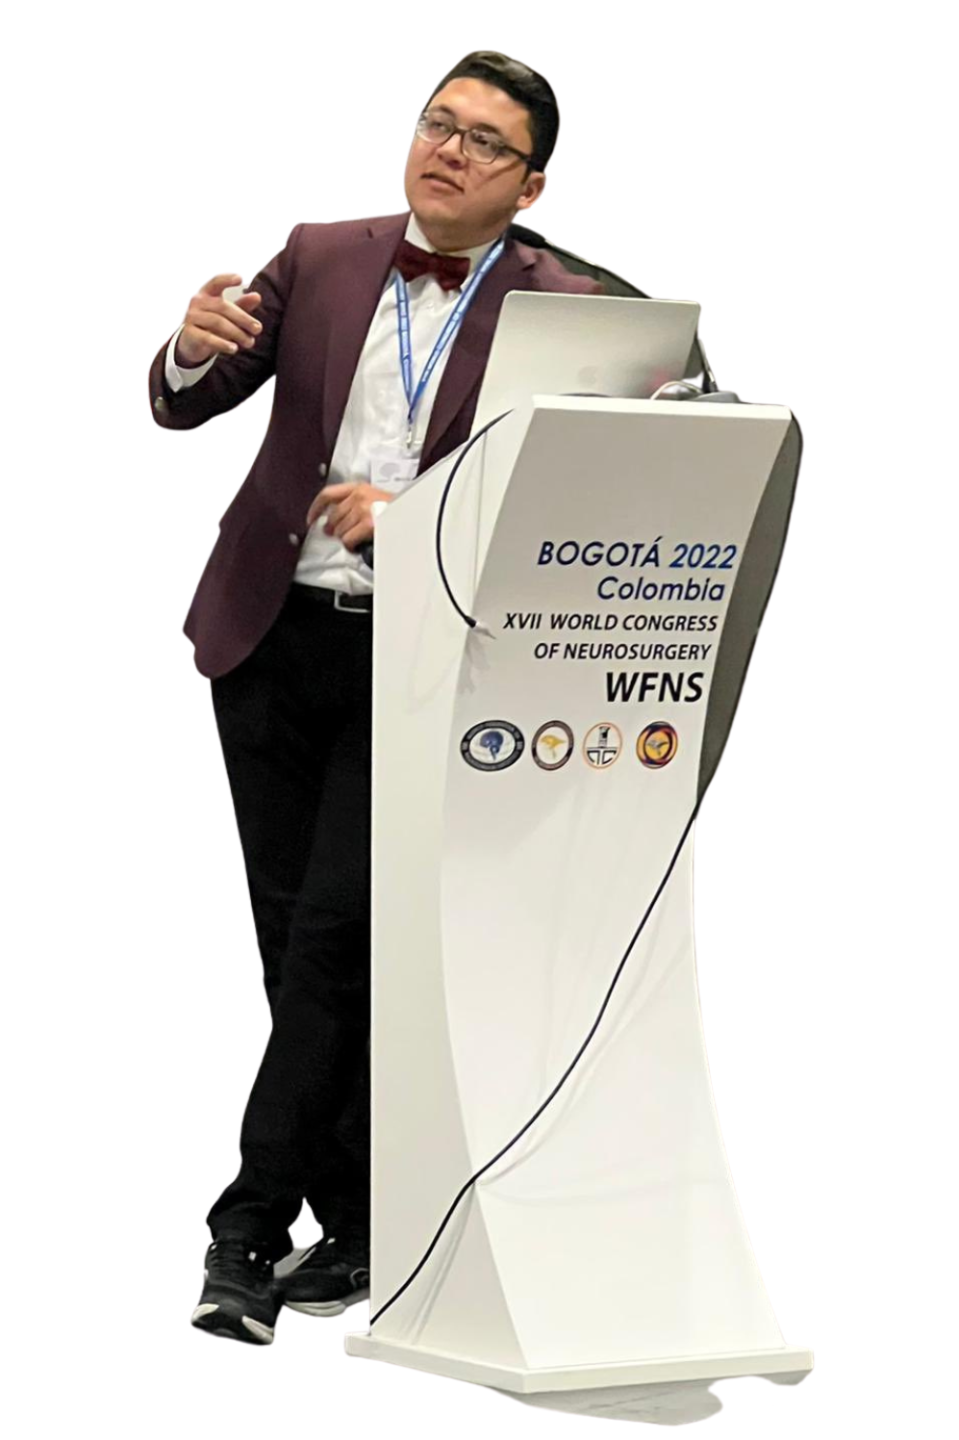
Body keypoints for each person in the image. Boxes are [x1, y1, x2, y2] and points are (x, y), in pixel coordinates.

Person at [149, 49, 602, 1347]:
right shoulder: (321, 254)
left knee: (333, 941)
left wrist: (429, 514)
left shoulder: (566, 305)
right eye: (437, 123)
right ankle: (356, 1222)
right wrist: (185, 349)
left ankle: (244, 1236)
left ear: (530, 185)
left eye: (484, 141)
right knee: (292, 939)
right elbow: (189, 402)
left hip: (418, 661)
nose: (448, 150)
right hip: (268, 635)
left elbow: (603, 465)